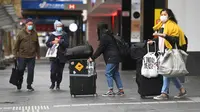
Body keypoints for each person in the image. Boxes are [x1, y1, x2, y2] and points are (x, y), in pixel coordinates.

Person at [148, 8, 187, 100]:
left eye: (164, 14)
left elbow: (175, 40)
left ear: (169, 16)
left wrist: (165, 35)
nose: (162, 16)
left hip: (170, 52)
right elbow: (160, 39)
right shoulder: (162, 26)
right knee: (169, 73)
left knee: (166, 72)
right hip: (162, 52)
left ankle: (164, 93)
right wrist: (153, 41)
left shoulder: (173, 26)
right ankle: (182, 90)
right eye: (161, 14)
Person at [88, 23, 124, 96]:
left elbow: (100, 49)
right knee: (115, 73)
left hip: (112, 57)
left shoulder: (104, 37)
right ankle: (121, 90)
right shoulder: (110, 35)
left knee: (108, 73)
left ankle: (110, 90)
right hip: (116, 56)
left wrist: (92, 57)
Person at [13, 18, 40, 91]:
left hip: (32, 56)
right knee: (20, 70)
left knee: (31, 71)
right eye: (29, 24)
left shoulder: (35, 33)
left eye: (31, 24)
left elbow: (37, 44)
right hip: (22, 56)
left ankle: (29, 85)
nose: (30, 26)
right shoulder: (20, 33)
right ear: (26, 25)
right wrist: (15, 54)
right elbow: (16, 45)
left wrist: (38, 54)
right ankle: (19, 82)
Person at [46, 20, 69, 90]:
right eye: (58, 26)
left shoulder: (64, 34)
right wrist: (52, 42)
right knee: (53, 71)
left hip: (62, 56)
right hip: (54, 56)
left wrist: (60, 41)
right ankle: (53, 83)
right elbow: (47, 44)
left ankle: (58, 84)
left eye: (60, 26)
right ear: (55, 27)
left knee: (60, 72)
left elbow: (67, 45)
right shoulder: (52, 35)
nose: (59, 28)